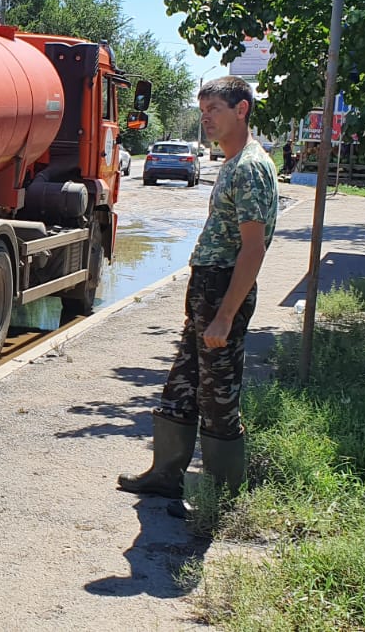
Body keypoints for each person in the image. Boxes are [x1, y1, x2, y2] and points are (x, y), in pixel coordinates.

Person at [118, 76, 279, 518]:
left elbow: (254, 247)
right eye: (203, 109)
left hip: (224, 289)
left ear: (241, 110)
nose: (206, 118)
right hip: (208, 288)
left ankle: (221, 500)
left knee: (218, 393)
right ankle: (166, 475)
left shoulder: (249, 166)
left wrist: (225, 316)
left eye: (215, 110)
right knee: (184, 384)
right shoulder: (232, 163)